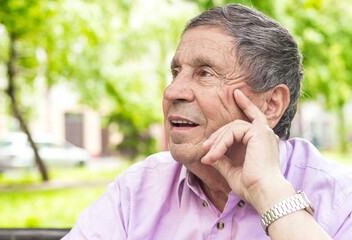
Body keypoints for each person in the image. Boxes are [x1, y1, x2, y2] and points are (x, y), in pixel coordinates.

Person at [63, 4, 352, 239]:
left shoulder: (341, 199)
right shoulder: (136, 191)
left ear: (271, 104)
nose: (172, 91)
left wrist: (269, 191)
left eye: (205, 73)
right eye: (176, 71)